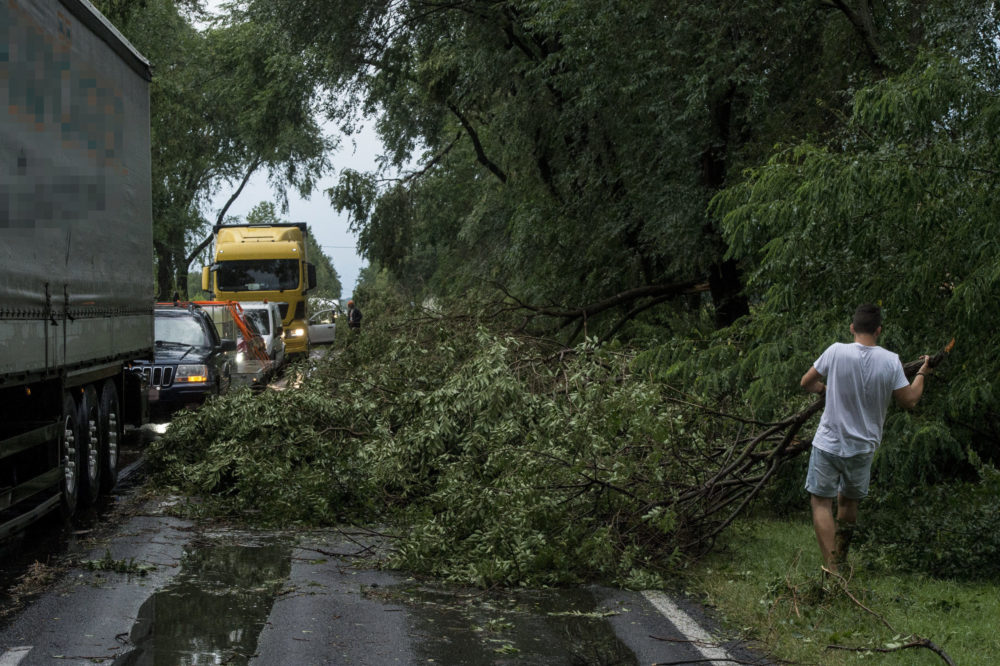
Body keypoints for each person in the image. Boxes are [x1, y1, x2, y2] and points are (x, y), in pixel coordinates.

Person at [799, 304, 931, 573]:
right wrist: (921, 373)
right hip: (862, 447)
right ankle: (841, 560)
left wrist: (825, 389)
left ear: (852, 328)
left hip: (829, 442)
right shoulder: (891, 360)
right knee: (847, 503)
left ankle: (833, 568)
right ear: (879, 330)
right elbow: (909, 400)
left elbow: (806, 382)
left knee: (821, 502)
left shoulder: (836, 351)